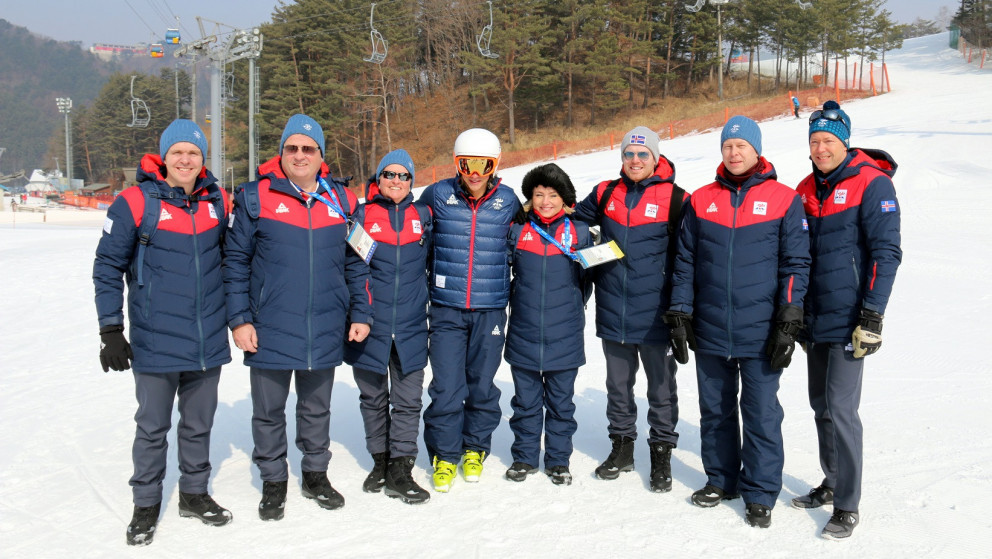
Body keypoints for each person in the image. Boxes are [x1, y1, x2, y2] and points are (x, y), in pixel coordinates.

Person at [223, 114, 373, 521]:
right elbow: (235, 262)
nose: (300, 155)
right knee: (268, 411)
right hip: (269, 323)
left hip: (325, 322)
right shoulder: (256, 198)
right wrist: (239, 319)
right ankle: (273, 481)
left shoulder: (341, 200)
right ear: (282, 153)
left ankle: (315, 474)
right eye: (292, 148)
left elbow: (358, 263)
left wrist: (360, 311)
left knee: (315, 409)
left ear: (320, 156)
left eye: (308, 149)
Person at [93, 118, 232, 546]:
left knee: (198, 425)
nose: (186, 160)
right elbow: (107, 266)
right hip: (156, 338)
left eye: (193, 153)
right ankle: (146, 504)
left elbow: (234, 260)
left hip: (207, 337)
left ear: (202, 160)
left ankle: (193, 493)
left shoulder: (218, 201)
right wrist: (111, 328)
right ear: (164, 157)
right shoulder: (134, 202)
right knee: (152, 427)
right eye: (178, 153)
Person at [666, 116, 810, 528]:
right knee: (715, 410)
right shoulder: (700, 200)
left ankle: (760, 491)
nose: (733, 153)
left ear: (756, 150)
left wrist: (789, 315)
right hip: (711, 325)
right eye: (728, 146)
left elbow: (796, 263)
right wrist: (681, 310)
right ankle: (721, 479)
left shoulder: (783, 199)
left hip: (761, 328)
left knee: (761, 412)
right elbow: (685, 261)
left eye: (741, 146)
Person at [793, 100, 901, 540]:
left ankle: (848, 503)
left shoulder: (871, 184)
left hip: (850, 317)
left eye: (828, 141)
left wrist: (872, 315)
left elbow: (886, 253)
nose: (820, 149)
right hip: (814, 316)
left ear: (845, 142)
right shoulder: (803, 188)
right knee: (821, 406)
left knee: (841, 408)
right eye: (814, 141)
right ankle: (832, 479)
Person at [572, 126, 687, 492]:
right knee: (618, 386)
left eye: (642, 154)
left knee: (661, 389)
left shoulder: (676, 199)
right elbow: (573, 219)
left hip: (656, 313)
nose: (635, 160)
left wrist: (683, 309)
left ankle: (661, 456)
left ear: (655, 157)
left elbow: (689, 256)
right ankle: (621, 450)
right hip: (613, 309)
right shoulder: (606, 192)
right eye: (629, 154)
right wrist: (586, 242)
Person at [420, 128, 521, 492]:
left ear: (494, 165)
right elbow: (412, 228)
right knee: (447, 386)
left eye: (483, 164)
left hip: (490, 310)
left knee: (481, 385)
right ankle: (445, 455)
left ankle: (475, 447)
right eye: (467, 164)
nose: (474, 172)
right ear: (457, 164)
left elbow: (527, 239)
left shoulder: (509, 200)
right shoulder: (437, 194)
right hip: (446, 310)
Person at [344, 149, 432, 505]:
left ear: (412, 181)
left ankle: (401, 466)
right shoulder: (362, 215)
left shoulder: (423, 215)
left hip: (411, 323)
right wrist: (360, 314)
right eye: (389, 174)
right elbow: (355, 268)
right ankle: (380, 461)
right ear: (378, 179)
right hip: (369, 325)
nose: (396, 181)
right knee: (373, 398)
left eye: (403, 176)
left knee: (409, 401)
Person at [503, 163, 592, 486]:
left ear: (565, 199)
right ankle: (524, 457)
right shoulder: (517, 231)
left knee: (560, 404)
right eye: (538, 194)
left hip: (564, 333)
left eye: (552, 195)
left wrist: (573, 305)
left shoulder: (580, 232)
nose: (545, 201)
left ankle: (557, 460)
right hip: (524, 331)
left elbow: (589, 279)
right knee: (525, 403)